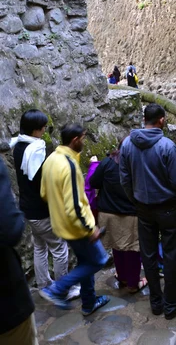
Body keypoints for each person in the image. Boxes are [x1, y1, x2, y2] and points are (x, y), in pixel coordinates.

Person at [119, 103, 176, 320]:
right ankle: (172, 304)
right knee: (170, 254)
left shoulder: (127, 144)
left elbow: (125, 180)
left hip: (143, 208)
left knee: (147, 255)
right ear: (161, 120)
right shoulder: (167, 146)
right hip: (167, 207)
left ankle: (156, 303)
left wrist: (136, 200)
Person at [40, 124, 110, 315]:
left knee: (84, 262)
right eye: (83, 138)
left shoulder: (51, 159)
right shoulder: (69, 166)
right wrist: (91, 229)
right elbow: (75, 208)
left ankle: (88, 303)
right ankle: (56, 289)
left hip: (62, 225)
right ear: (75, 140)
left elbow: (44, 193)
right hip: (77, 228)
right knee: (99, 260)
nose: (85, 141)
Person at [11, 110, 75, 298]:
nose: (45, 129)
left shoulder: (19, 145)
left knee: (40, 246)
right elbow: (43, 183)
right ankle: (63, 289)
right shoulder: (36, 151)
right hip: (41, 210)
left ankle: (44, 284)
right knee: (59, 247)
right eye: (43, 127)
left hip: (27, 208)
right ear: (35, 130)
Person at [89, 142, 147, 294]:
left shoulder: (108, 162)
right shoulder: (137, 164)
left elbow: (94, 182)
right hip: (130, 214)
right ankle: (133, 283)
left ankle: (122, 277)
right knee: (132, 250)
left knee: (117, 246)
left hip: (108, 213)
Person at [0, 157, 37, 345]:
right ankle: (62, 287)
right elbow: (9, 228)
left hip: (35, 214)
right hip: (5, 305)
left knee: (41, 248)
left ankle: (48, 283)